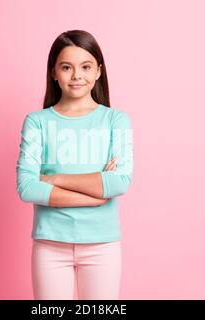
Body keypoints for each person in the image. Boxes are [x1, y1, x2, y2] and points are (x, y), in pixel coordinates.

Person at [16, 30, 134, 300]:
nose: (77, 75)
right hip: (50, 245)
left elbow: (119, 182)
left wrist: (53, 179)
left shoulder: (116, 120)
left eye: (86, 66)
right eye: (67, 67)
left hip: (102, 245)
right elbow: (26, 188)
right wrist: (94, 196)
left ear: (98, 71)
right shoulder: (37, 122)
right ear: (54, 73)